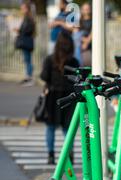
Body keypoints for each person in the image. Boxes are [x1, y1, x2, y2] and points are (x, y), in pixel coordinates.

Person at [40, 31, 79, 165]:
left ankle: (51, 155)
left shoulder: (50, 59)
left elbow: (44, 76)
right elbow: (77, 80)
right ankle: (70, 154)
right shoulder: (73, 61)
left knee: (50, 127)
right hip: (69, 97)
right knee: (67, 127)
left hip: (52, 96)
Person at [14, 1, 36, 86]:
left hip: (27, 42)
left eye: (23, 8)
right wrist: (19, 30)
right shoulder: (27, 18)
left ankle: (30, 78)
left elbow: (29, 30)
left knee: (28, 60)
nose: (21, 10)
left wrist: (20, 31)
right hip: (26, 41)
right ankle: (28, 77)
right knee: (27, 60)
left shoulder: (29, 18)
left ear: (27, 9)